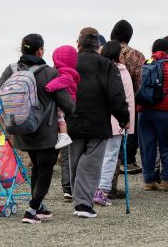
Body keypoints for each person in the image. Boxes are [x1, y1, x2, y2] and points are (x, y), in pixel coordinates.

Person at [0, 33, 75, 224]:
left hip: (21, 129)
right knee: (45, 170)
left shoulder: (11, 70)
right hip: (45, 132)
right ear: (40, 51)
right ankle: (31, 210)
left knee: (37, 167)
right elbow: (67, 104)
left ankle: (39, 206)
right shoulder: (49, 73)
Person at [67, 27, 130, 218]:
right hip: (98, 122)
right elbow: (116, 95)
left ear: (78, 45)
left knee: (75, 161)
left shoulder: (70, 63)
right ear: (98, 46)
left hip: (73, 120)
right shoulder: (107, 65)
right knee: (91, 162)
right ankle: (83, 204)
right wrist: (124, 118)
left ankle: (79, 199)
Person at [137, 38, 168, 191]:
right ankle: (165, 180)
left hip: (144, 112)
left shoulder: (146, 64)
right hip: (165, 113)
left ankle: (149, 181)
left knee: (147, 147)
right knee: (167, 146)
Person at [94, 41, 135, 206]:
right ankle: (102, 190)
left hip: (97, 119)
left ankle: (91, 188)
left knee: (96, 155)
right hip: (117, 120)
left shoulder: (96, 69)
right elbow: (128, 99)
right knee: (110, 156)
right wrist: (127, 121)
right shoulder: (122, 72)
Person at [111, 20, 146, 175]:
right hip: (128, 99)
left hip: (106, 99)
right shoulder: (136, 55)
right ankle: (128, 161)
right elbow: (140, 81)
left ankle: (111, 162)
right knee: (129, 131)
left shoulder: (103, 51)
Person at [44, 45, 80, 150]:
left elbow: (60, 82)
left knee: (59, 115)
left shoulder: (65, 73)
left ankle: (64, 135)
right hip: (70, 98)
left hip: (67, 99)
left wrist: (49, 87)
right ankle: (62, 135)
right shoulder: (70, 71)